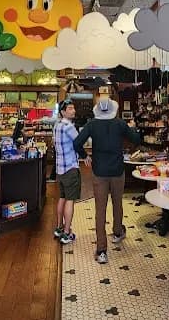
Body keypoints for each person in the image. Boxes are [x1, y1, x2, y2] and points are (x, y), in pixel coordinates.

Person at [73, 98, 141, 264]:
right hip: (118, 171)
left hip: (99, 172)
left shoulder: (92, 124)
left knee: (100, 209)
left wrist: (85, 156)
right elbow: (137, 140)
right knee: (117, 203)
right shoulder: (120, 123)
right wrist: (132, 128)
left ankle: (101, 250)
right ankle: (118, 233)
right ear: (113, 109)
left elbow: (76, 143)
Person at [53, 99, 81, 244]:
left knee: (62, 197)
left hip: (60, 168)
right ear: (63, 111)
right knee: (70, 200)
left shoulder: (57, 125)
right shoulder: (68, 126)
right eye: (70, 108)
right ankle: (67, 233)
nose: (73, 110)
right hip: (70, 167)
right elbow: (79, 142)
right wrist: (86, 155)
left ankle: (58, 228)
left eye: (73, 107)